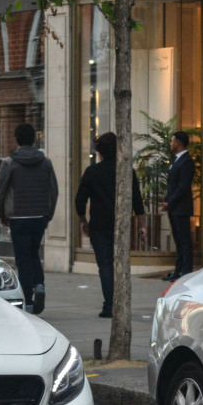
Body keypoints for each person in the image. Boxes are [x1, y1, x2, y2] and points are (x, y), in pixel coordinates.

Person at [76, 132, 145, 318]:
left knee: (105, 265)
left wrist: (83, 220)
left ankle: (109, 305)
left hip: (99, 224)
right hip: (122, 224)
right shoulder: (127, 170)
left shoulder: (92, 172)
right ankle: (121, 303)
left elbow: (79, 200)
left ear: (100, 152)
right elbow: (137, 200)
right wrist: (141, 224)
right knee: (120, 264)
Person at [0, 123, 58, 314]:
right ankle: (39, 284)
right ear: (34, 140)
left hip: (18, 216)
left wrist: (1, 214)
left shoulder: (9, 163)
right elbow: (54, 190)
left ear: (16, 139)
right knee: (33, 253)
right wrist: (48, 214)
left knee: (22, 259)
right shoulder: (46, 163)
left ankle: (28, 301)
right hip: (39, 216)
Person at [159, 130, 195, 281]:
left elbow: (183, 187)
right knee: (178, 241)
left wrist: (170, 202)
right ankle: (178, 271)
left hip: (181, 208)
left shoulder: (187, 162)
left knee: (184, 241)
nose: (171, 144)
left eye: (172, 141)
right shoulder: (176, 160)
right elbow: (173, 185)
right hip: (174, 208)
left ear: (178, 143)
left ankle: (186, 272)